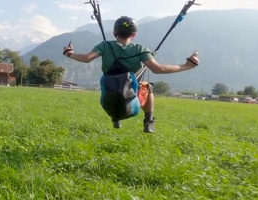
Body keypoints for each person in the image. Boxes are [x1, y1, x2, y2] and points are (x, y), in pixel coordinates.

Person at [63, 16, 199, 133]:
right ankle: (149, 122)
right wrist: (187, 65)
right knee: (147, 87)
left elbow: (86, 58)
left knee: (113, 89)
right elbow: (158, 69)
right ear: (133, 34)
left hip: (106, 104)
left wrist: (69, 53)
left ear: (115, 33)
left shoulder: (105, 46)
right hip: (131, 108)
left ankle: (115, 118)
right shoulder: (140, 49)